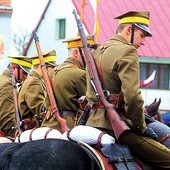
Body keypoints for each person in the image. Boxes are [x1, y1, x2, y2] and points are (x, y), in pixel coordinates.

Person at [85, 11, 170, 168]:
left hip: (91, 124)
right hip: (117, 127)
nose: (143, 41)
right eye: (142, 35)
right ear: (129, 30)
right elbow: (133, 98)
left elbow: (90, 95)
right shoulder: (128, 51)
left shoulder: (96, 52)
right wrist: (141, 127)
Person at [41, 35, 95, 132]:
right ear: (75, 53)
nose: (90, 57)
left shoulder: (52, 72)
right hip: (69, 126)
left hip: (48, 125)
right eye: (87, 52)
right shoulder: (80, 74)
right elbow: (90, 106)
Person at [18, 50, 57, 130]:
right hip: (33, 129)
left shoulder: (35, 80)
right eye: (52, 68)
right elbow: (42, 111)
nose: (54, 71)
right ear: (43, 67)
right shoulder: (34, 82)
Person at [0, 55, 32, 138]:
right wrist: (16, 137)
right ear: (14, 68)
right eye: (24, 73)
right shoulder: (8, 84)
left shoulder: (2, 79)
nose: (25, 77)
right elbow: (7, 118)